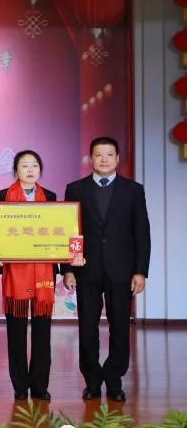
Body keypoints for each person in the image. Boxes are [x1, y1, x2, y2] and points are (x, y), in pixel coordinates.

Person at [62, 136, 150, 402]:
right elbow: (68, 230)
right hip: (86, 269)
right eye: (98, 155)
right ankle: (91, 381)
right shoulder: (75, 189)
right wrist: (67, 269)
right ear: (90, 158)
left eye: (109, 154)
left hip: (121, 270)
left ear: (117, 158)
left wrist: (140, 271)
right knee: (87, 327)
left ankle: (114, 380)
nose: (103, 159)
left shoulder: (133, 190)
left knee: (120, 327)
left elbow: (142, 233)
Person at [0, 150, 85, 401]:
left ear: (40, 170)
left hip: (44, 271)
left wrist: (68, 268)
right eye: (24, 165)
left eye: (34, 165)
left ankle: (40, 385)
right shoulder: (2, 197)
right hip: (15, 273)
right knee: (16, 331)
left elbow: (60, 235)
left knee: (43, 331)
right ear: (16, 170)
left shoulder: (51, 197)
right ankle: (20, 386)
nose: (30, 170)